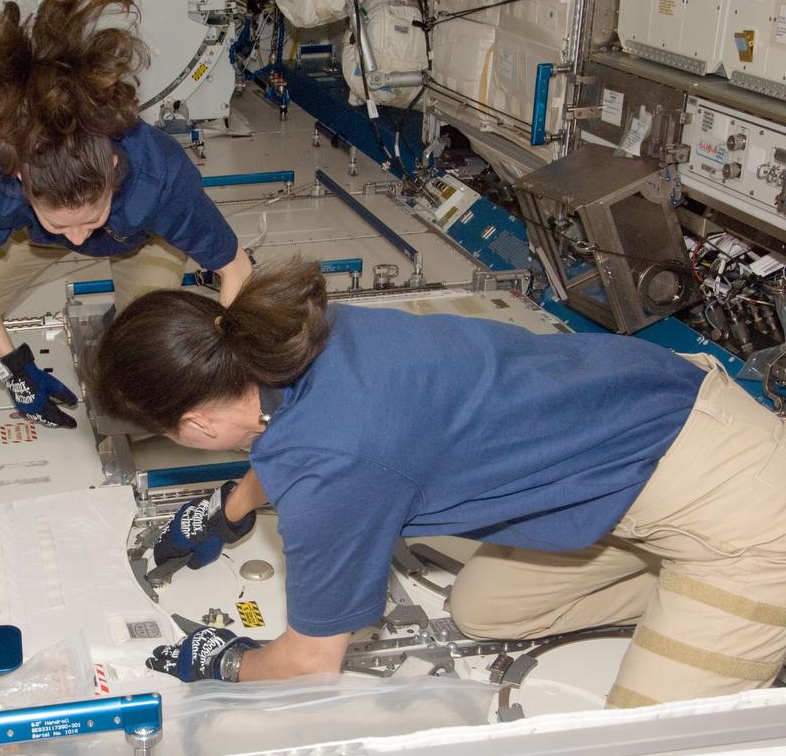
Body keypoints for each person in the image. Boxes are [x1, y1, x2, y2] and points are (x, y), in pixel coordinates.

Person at [91, 258, 786, 707]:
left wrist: (226, 660)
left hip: (743, 509)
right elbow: (300, 427)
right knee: (485, 612)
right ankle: (683, 590)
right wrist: (231, 507)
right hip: (637, 434)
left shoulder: (331, 474)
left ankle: (733, 606)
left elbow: (308, 666)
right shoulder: (291, 336)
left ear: (198, 425)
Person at [0, 0, 253, 428]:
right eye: (63, 224)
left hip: (142, 237)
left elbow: (236, 268)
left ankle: (128, 310)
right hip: (34, 237)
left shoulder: (162, 178)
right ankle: (28, 243)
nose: (79, 236)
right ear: (21, 178)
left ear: (115, 167)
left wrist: (226, 364)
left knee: (146, 354)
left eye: (89, 217)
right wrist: (14, 369)